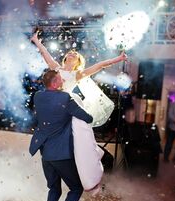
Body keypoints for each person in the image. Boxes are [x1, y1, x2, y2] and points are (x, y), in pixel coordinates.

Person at [31, 32, 127, 192]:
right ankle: (53, 166)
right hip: (51, 106)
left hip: (63, 108)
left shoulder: (78, 74)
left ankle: (84, 170)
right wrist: (36, 41)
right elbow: (46, 54)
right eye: (70, 52)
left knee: (76, 138)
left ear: (77, 62)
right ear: (66, 58)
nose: (72, 53)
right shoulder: (56, 68)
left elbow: (100, 65)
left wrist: (118, 59)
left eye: (75, 54)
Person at [29, 70, 93, 201]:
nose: (63, 81)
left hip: (45, 154)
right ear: (54, 83)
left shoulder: (38, 96)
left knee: (54, 189)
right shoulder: (65, 98)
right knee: (76, 188)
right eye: (60, 79)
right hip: (61, 154)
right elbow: (87, 117)